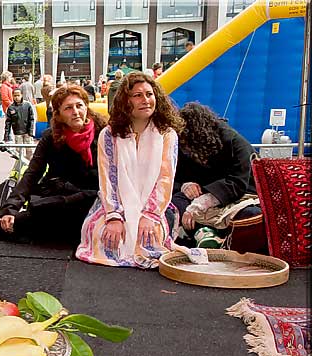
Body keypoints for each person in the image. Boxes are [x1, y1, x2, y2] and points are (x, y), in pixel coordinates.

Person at [76, 72, 184, 269]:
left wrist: (149, 215)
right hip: (116, 205)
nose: (146, 100)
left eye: (149, 94)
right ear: (126, 100)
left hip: (154, 208)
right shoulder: (109, 135)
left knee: (148, 237)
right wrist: (115, 216)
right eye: (138, 95)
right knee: (103, 233)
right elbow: (108, 179)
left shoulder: (167, 134)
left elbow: (165, 179)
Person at [0, 85, 108, 244]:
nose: (75, 111)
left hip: (93, 198)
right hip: (58, 199)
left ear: (87, 106)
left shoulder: (105, 134)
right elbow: (32, 173)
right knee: (34, 220)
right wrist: (11, 208)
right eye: (68, 108)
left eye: (79, 106)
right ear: (58, 114)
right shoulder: (50, 137)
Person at [172, 102, 260, 247]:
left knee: (252, 214)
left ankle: (218, 237)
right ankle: (203, 234)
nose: (185, 147)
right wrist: (184, 186)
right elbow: (172, 178)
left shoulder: (235, 143)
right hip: (202, 193)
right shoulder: (185, 144)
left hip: (242, 196)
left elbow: (239, 183)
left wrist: (200, 204)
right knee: (176, 202)